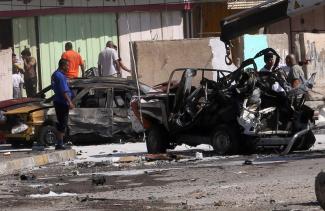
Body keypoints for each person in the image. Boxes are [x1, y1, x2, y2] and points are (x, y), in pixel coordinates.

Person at [51, 58, 75, 150]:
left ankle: (60, 143)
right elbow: (64, 91)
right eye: (68, 65)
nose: (69, 67)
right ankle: (60, 144)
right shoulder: (60, 76)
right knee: (62, 123)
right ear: (63, 66)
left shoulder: (56, 74)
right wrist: (70, 102)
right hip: (62, 102)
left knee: (61, 122)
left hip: (59, 101)